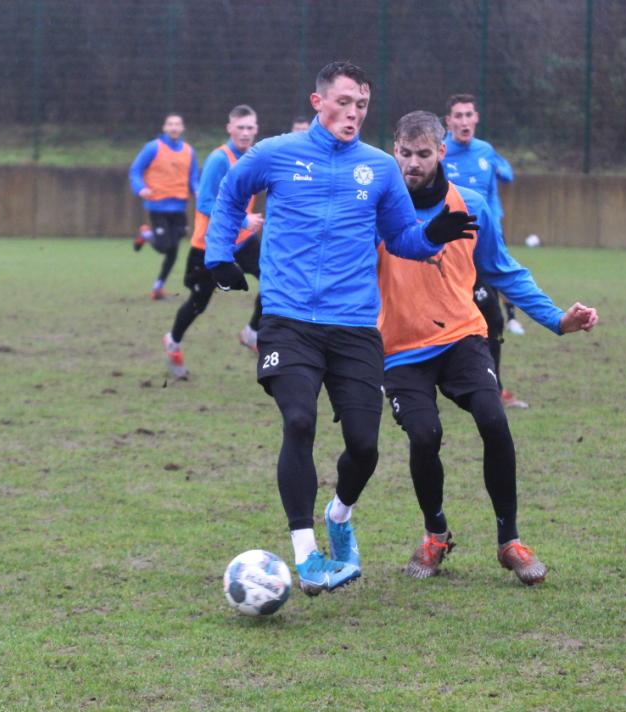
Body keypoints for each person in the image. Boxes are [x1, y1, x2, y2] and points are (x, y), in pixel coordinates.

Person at [205, 62, 478, 596]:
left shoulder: (378, 168)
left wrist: (434, 236)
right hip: (288, 320)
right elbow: (231, 195)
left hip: (354, 326)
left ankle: (340, 514)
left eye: (362, 106)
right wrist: (220, 254)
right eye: (345, 102)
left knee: (365, 447)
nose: (354, 113)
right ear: (318, 101)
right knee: (300, 420)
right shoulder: (275, 153)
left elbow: (402, 239)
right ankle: (307, 557)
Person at [379, 110, 598, 584]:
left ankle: (510, 541)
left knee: (494, 419)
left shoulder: (470, 206)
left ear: (441, 152)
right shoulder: (375, 208)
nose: (413, 163)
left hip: (461, 336)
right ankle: (436, 534)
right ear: (393, 150)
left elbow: (503, 271)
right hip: (399, 348)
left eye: (423, 153)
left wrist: (558, 320)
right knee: (424, 436)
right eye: (405, 153)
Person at [162, 105, 265, 380]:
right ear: (229, 128)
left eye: (250, 127)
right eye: (240, 127)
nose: (245, 133)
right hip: (211, 245)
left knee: (276, 282)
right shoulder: (219, 159)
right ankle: (173, 340)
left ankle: (251, 333)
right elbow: (205, 201)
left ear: (256, 130)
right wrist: (243, 220)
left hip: (244, 244)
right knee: (199, 302)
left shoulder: (255, 157)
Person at [443, 94, 528, 408]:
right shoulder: (437, 154)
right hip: (448, 254)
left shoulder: (485, 152)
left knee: (492, 319)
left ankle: (494, 388)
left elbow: (495, 193)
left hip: (483, 251)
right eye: (458, 116)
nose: (464, 121)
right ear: (448, 121)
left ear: (476, 118)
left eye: (468, 115)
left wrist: (497, 230)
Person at [129, 113, 200, 300]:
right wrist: (140, 188)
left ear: (183, 128)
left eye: (178, 124)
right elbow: (135, 170)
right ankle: (145, 234)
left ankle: (158, 287)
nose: (174, 127)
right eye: (171, 124)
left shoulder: (188, 151)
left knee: (174, 249)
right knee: (162, 246)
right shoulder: (153, 147)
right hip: (158, 206)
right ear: (164, 128)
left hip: (179, 207)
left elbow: (193, 177)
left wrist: (198, 191)